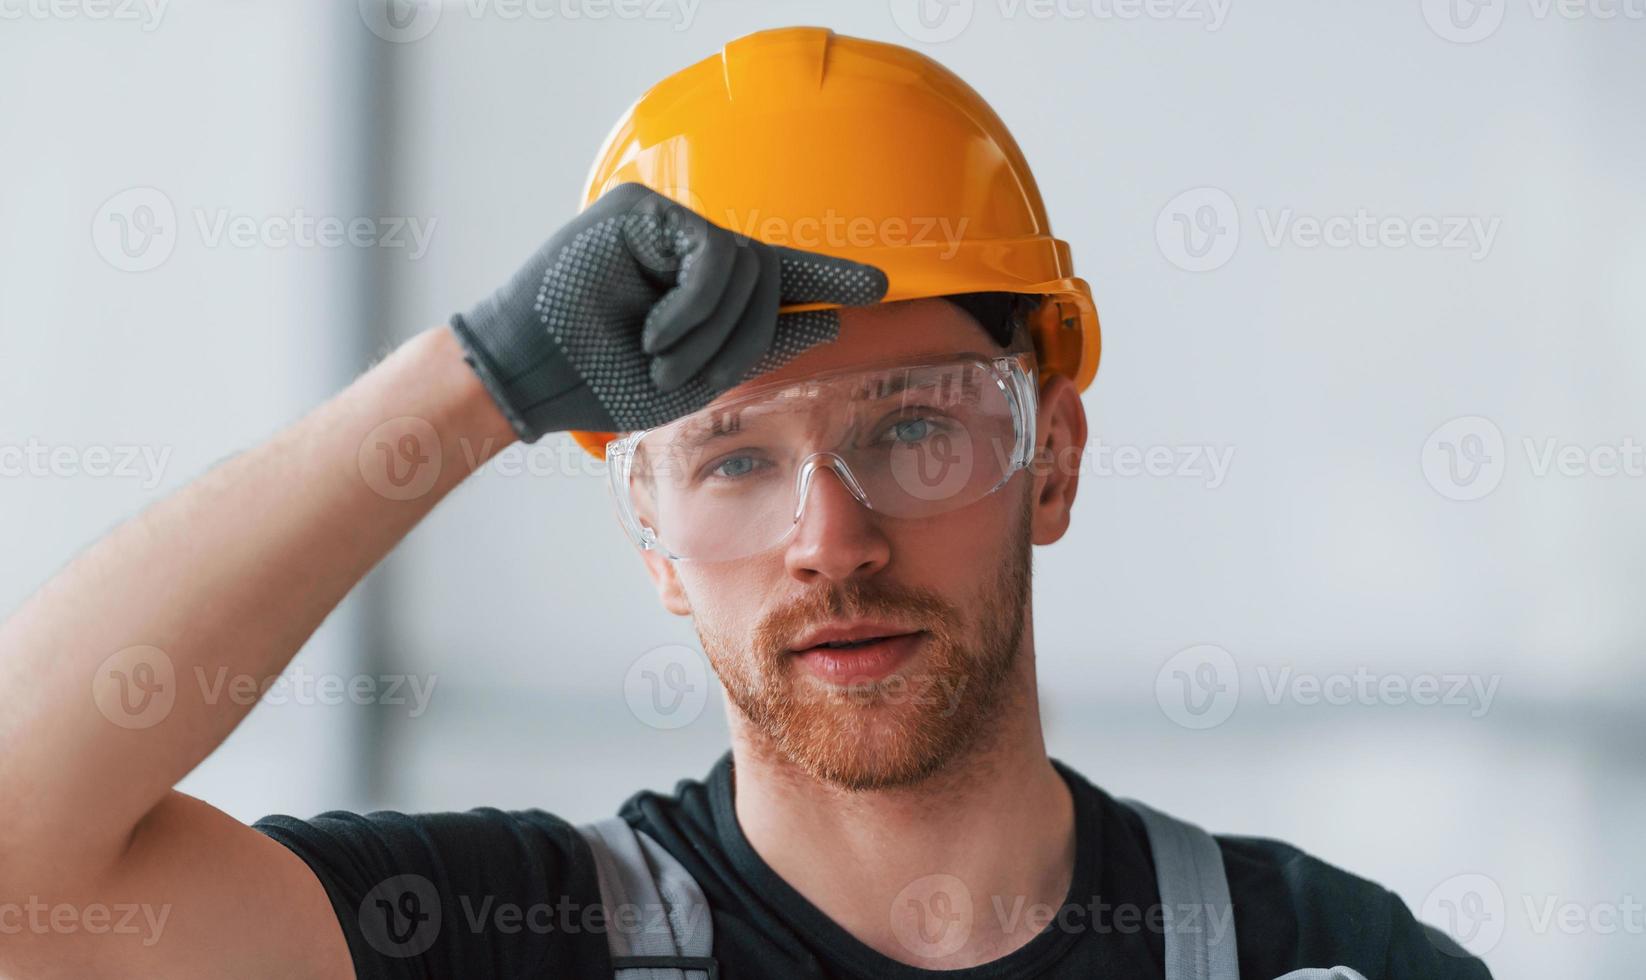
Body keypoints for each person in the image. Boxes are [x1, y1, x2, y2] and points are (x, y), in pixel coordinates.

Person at [0, 27, 1490, 980]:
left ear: (1055, 457)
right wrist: (476, 382)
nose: (828, 540)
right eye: (732, 461)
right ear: (648, 537)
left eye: (913, 430)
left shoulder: (1315, 958)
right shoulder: (500, 943)